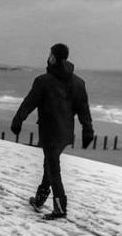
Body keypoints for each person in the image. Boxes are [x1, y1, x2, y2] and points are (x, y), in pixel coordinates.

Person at [11, 43, 94, 220]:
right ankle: (39, 200)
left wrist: (18, 121)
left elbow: (29, 103)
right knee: (50, 164)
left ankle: (59, 208)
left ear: (54, 57)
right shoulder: (78, 82)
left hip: (50, 132)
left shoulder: (43, 81)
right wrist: (87, 130)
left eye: (50, 54)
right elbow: (83, 109)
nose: (48, 57)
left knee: (53, 168)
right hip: (65, 133)